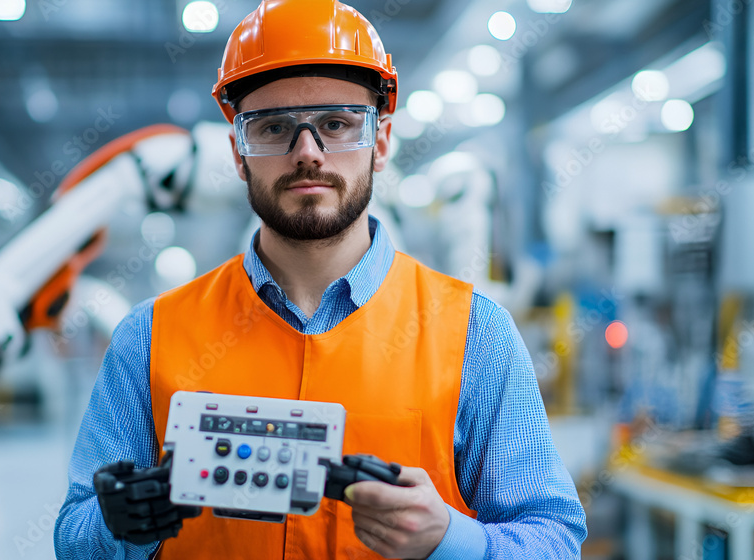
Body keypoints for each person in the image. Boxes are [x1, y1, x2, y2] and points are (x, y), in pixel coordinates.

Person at [54, 0, 587, 558]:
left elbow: (552, 538)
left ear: (380, 144)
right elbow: (73, 538)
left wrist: (452, 540)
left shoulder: (475, 334)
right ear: (239, 155)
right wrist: (116, 527)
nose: (306, 153)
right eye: (274, 127)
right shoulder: (149, 337)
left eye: (336, 124)